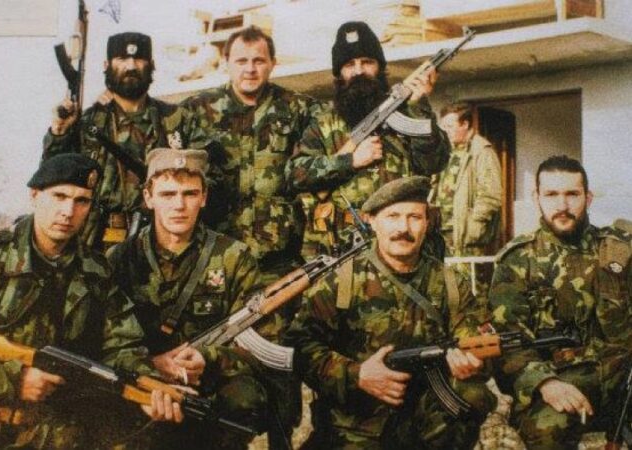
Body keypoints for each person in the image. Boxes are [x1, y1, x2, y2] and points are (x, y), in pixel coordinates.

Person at [0, 153, 181, 449]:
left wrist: (148, 388)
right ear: (34, 196)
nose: (68, 211)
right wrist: (14, 379)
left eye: (82, 201)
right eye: (59, 196)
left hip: (57, 431)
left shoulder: (95, 270)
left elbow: (122, 344)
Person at [182, 25, 323, 446]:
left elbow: (325, 154)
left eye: (259, 60)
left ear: (272, 64)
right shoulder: (195, 112)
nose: (250, 69)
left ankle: (282, 438)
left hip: (277, 264)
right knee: (218, 358)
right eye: (241, 60)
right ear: (226, 64)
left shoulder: (299, 109)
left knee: (280, 364)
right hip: (217, 264)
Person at [285, 176, 494, 449]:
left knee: (473, 392)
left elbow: (473, 338)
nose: (403, 228)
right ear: (372, 221)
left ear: (427, 222)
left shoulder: (451, 284)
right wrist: (356, 374)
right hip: (354, 426)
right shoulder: (341, 282)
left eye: (414, 217)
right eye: (393, 216)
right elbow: (299, 346)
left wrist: (472, 362)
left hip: (424, 425)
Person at [107, 148, 268, 449]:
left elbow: (261, 344)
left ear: (204, 197)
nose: (179, 205)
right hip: (143, 382)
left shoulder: (234, 257)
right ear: (148, 197)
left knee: (246, 395)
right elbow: (106, 341)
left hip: (210, 390)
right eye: (168, 194)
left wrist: (209, 358)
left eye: (190, 193)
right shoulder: (120, 259)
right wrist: (150, 368)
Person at [488, 155, 631, 450]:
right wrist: (546, 383)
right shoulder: (517, 261)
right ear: (536, 197)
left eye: (572, 194)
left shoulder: (619, 251)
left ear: (588, 198)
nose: (562, 205)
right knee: (544, 429)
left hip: (624, 377)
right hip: (562, 380)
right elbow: (509, 341)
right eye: (552, 194)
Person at [285, 21, 450, 260]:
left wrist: (419, 106)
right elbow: (295, 174)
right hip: (343, 251)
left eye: (367, 62)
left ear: (379, 67)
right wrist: (349, 161)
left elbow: (434, 162)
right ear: (339, 74)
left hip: (405, 248)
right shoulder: (323, 124)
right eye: (349, 65)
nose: (358, 71)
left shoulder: (409, 113)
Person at [43, 32, 194, 249]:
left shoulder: (177, 120)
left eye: (138, 59)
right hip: (93, 243)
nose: (131, 66)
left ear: (151, 65)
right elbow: (52, 178)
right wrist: (59, 133)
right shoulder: (86, 123)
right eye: (122, 59)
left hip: (162, 241)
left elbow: (204, 179)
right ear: (107, 65)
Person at [430, 102, 501, 258]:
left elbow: (490, 195)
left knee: (466, 274)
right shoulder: (445, 151)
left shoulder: (482, 151)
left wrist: (475, 225)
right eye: (443, 127)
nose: (445, 131)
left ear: (465, 124)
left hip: (466, 236)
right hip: (441, 232)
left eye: (450, 126)